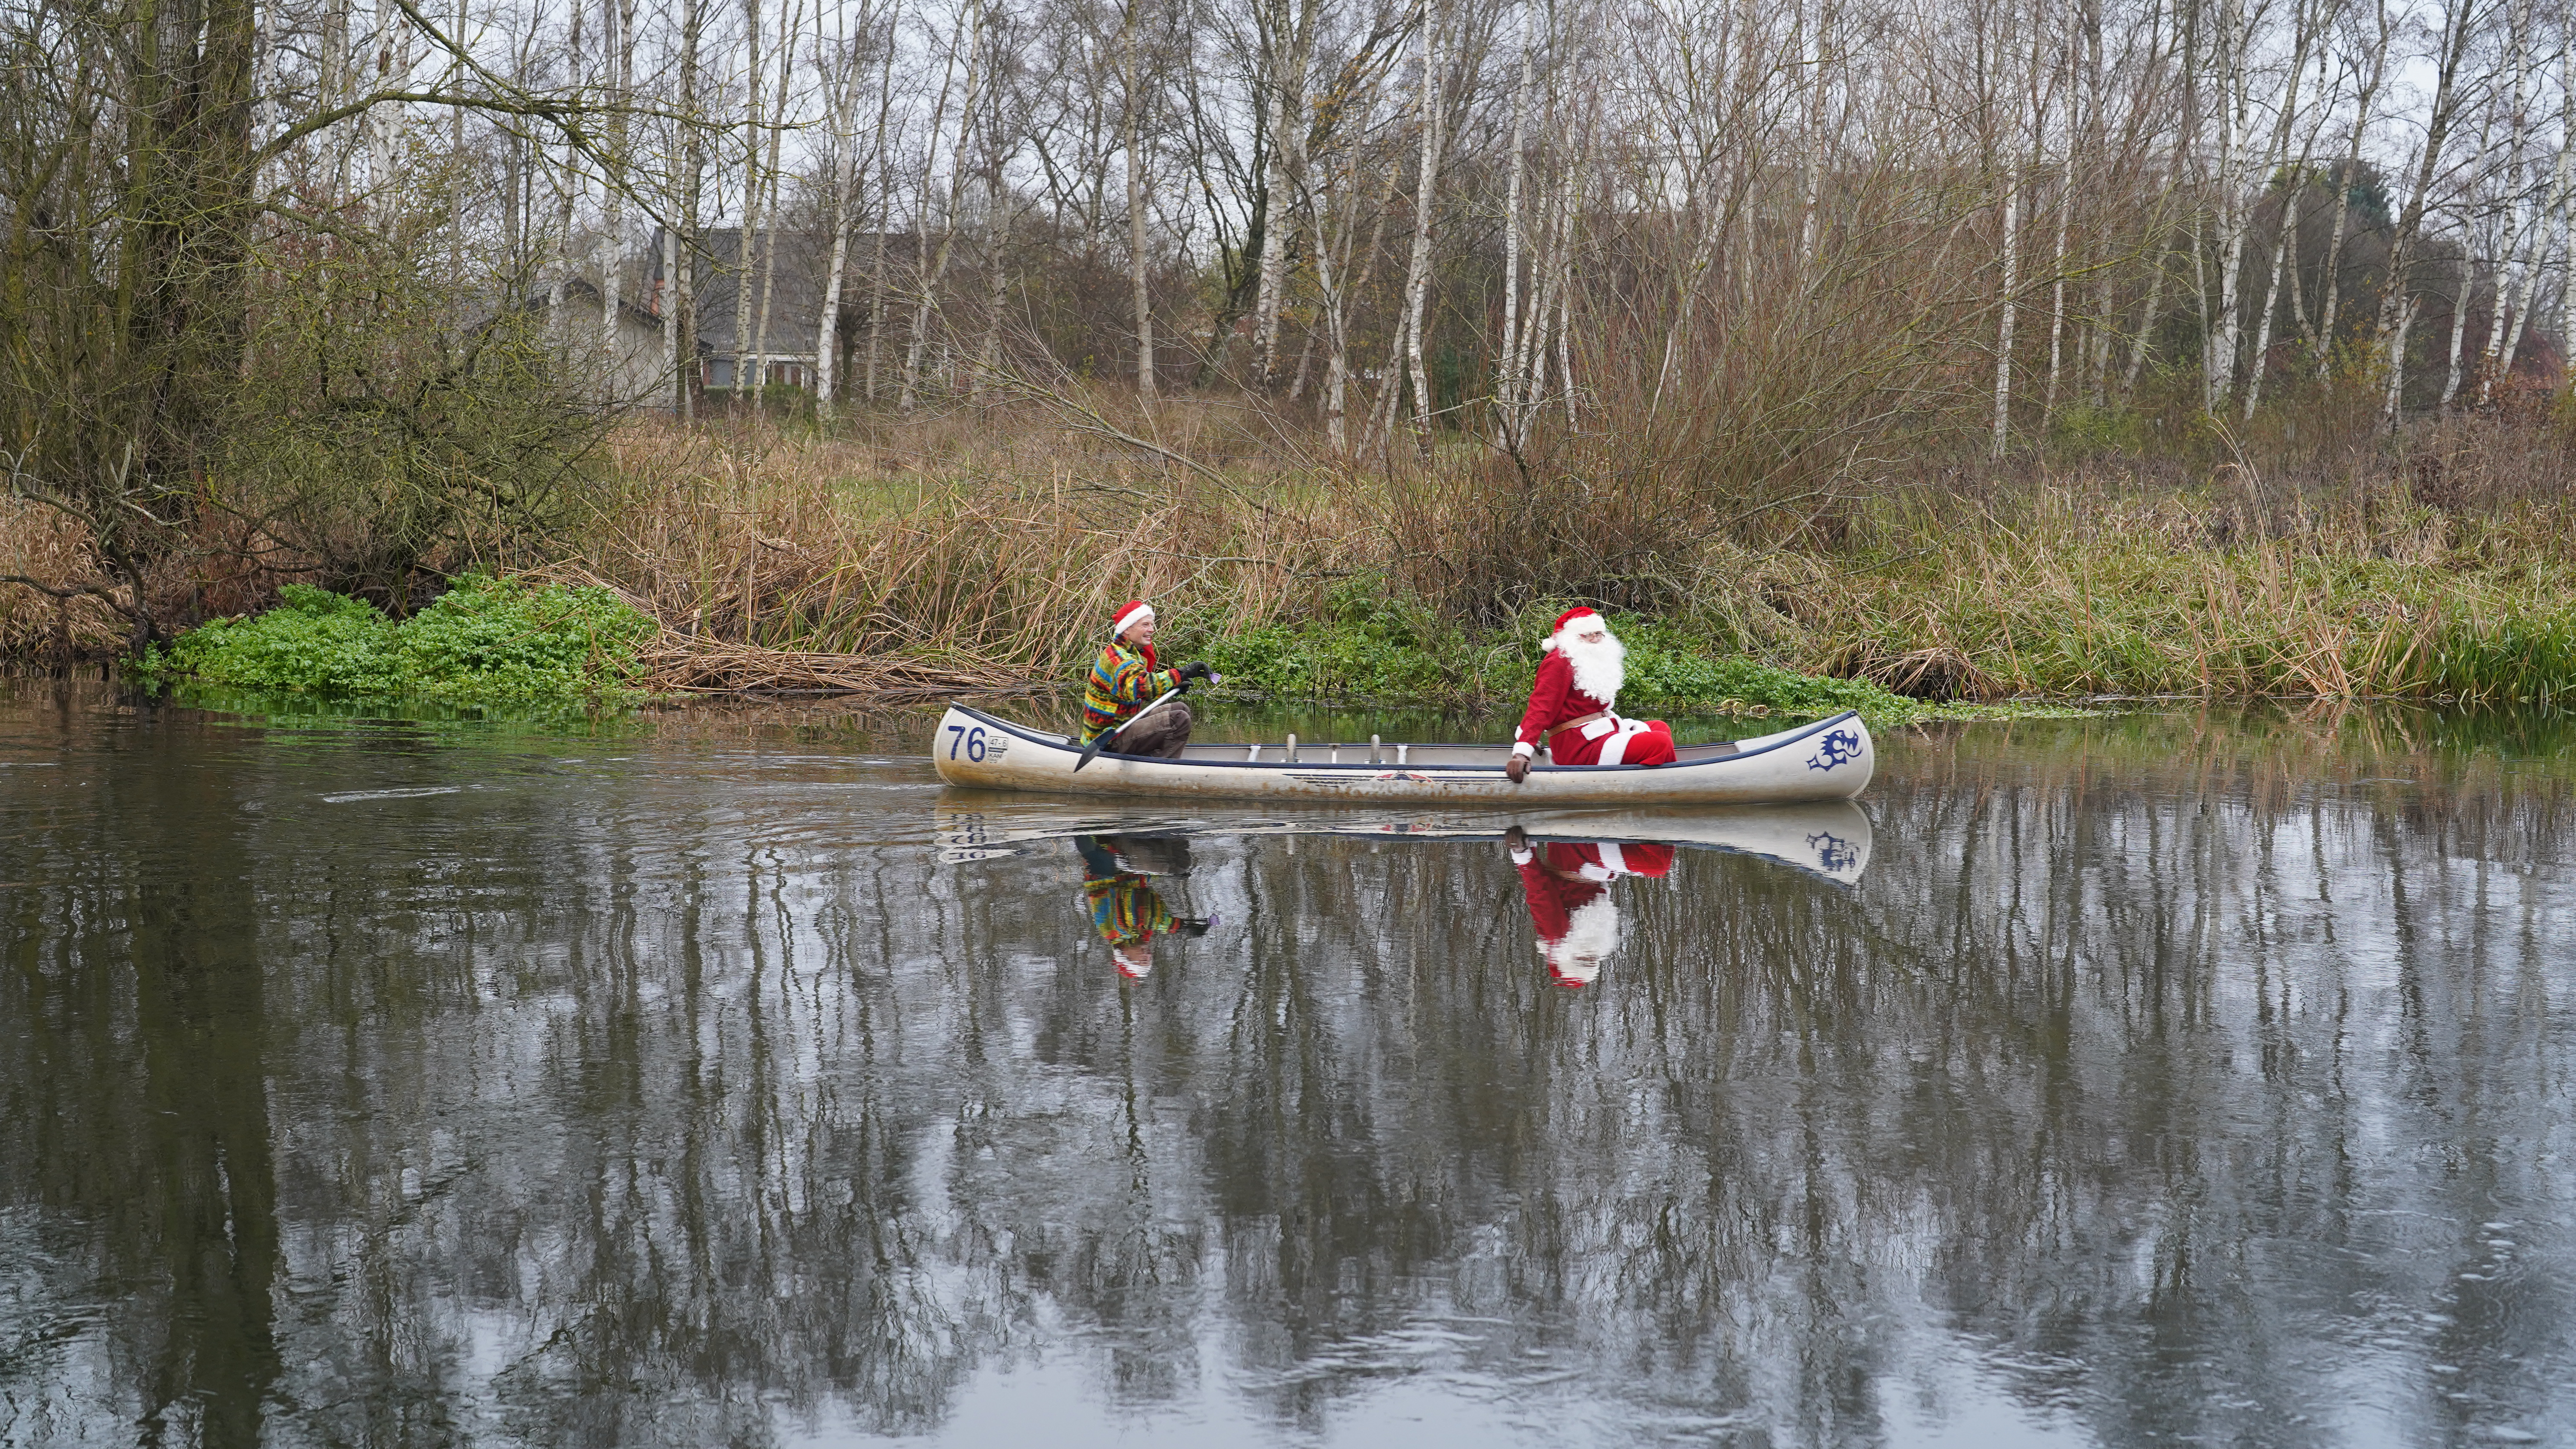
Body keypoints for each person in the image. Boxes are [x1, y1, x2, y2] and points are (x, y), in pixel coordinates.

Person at [1504, 606, 1677, 783]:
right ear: (1572, 638)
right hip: (1577, 746)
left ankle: (1642, 782)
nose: (1595, 639)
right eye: (1588, 635)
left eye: (1599, 634)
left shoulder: (1592, 659)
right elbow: (1541, 706)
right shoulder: (1559, 661)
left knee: (1660, 727)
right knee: (1660, 742)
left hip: (1600, 735)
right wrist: (1523, 751)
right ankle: (1668, 784)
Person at [1506, 826, 1674, 988]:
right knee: (1655, 864)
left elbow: (1538, 891)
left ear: (1567, 956)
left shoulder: (1556, 937)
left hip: (1574, 859)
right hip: (1591, 864)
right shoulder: (1594, 937)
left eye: (1582, 960)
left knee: (1656, 863)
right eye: (1593, 961)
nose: (1590, 956)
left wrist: (1522, 854)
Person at [1083, 600, 1214, 758]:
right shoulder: (1119, 659)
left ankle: (1155, 757)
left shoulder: (1130, 653)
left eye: (1152, 625)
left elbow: (1134, 691)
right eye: (1145, 625)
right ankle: (1162, 772)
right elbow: (1141, 687)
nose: (1151, 630)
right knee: (1178, 720)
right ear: (1127, 630)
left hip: (1123, 726)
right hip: (1108, 740)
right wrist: (1182, 673)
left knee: (1181, 708)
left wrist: (1171, 687)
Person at [1075, 836, 1212, 980]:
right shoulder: (1141, 931)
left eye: (1142, 960)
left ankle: (1106, 834)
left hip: (1109, 857)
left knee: (1162, 862)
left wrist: (1177, 926)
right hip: (1126, 866)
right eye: (1149, 958)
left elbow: (1138, 905)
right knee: (1178, 864)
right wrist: (1168, 876)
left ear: (1125, 956)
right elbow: (1139, 887)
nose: (1147, 954)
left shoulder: (1114, 931)